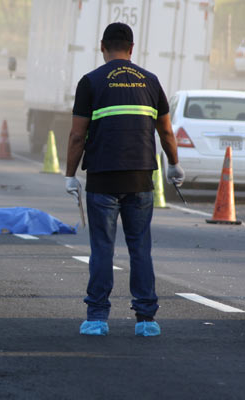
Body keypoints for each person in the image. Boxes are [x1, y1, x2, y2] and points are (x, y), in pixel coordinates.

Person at [64, 23, 185, 337]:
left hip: (103, 181)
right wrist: (174, 165)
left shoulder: (90, 82)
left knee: (102, 249)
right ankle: (146, 320)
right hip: (141, 179)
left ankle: (97, 319)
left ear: (102, 46)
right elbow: (167, 132)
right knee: (140, 249)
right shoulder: (151, 82)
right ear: (132, 48)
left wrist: (70, 176)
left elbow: (77, 136)